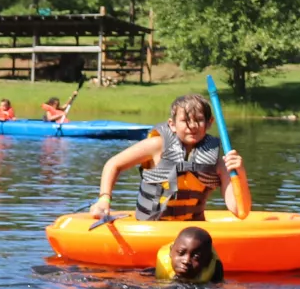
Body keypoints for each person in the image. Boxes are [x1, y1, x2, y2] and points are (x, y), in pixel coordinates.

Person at [90, 93, 249, 223]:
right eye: (185, 121)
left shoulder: (218, 163)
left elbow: (240, 211)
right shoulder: (156, 146)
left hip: (192, 238)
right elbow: (113, 164)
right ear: (172, 124)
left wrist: (240, 173)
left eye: (199, 120)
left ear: (209, 123)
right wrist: (104, 199)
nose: (192, 126)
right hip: (152, 229)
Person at [155, 226, 225, 283]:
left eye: (196, 257)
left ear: (207, 262)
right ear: (171, 252)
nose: (186, 261)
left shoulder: (215, 275)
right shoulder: (160, 268)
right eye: (181, 253)